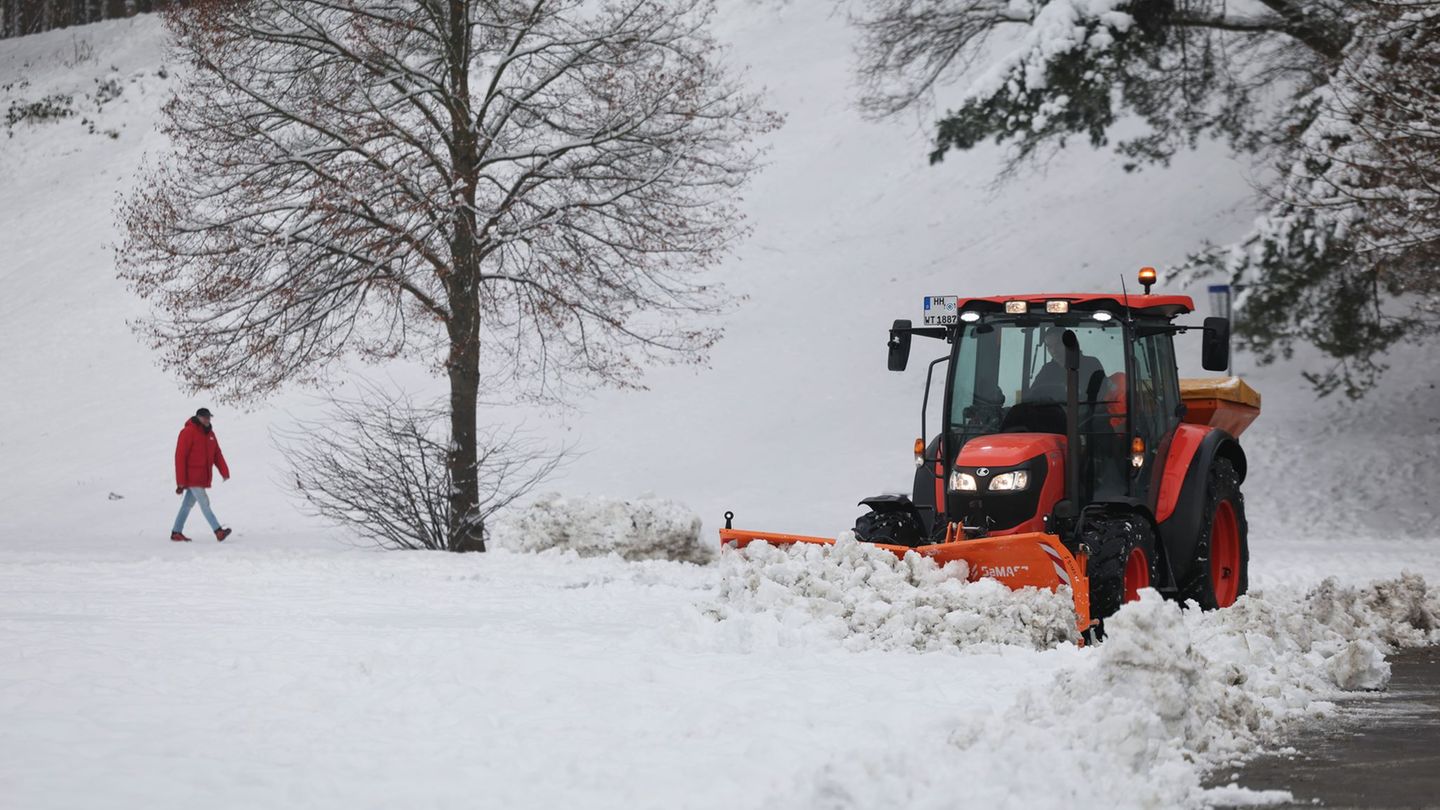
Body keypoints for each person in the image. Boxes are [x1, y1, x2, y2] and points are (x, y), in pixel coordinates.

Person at [171, 407, 232, 542]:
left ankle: (176, 532)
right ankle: (218, 531)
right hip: (192, 477)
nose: (207, 420)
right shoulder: (187, 432)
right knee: (204, 502)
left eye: (208, 417)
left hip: (202, 477)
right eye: (204, 417)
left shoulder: (210, 434)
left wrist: (224, 471)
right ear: (198, 417)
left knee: (187, 505)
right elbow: (180, 457)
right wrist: (180, 481)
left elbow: (217, 454)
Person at [1028, 326, 1105, 403]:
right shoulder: (1047, 370)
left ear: (1070, 344)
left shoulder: (1091, 364)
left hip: (1088, 413)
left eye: (1058, 344)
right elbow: (1033, 396)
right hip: (1055, 414)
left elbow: (1102, 393)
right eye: (1050, 346)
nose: (1054, 350)